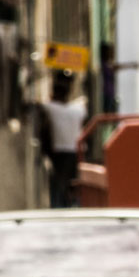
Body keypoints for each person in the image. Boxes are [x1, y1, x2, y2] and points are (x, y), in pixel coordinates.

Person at [43, 71, 86, 208]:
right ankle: (73, 205)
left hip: (61, 153)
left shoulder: (52, 108)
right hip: (77, 151)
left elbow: (40, 105)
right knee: (73, 184)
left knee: (60, 184)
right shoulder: (78, 109)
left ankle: (59, 207)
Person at [99, 41, 118, 117]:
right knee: (106, 115)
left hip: (110, 92)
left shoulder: (108, 64)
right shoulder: (103, 64)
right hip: (106, 93)